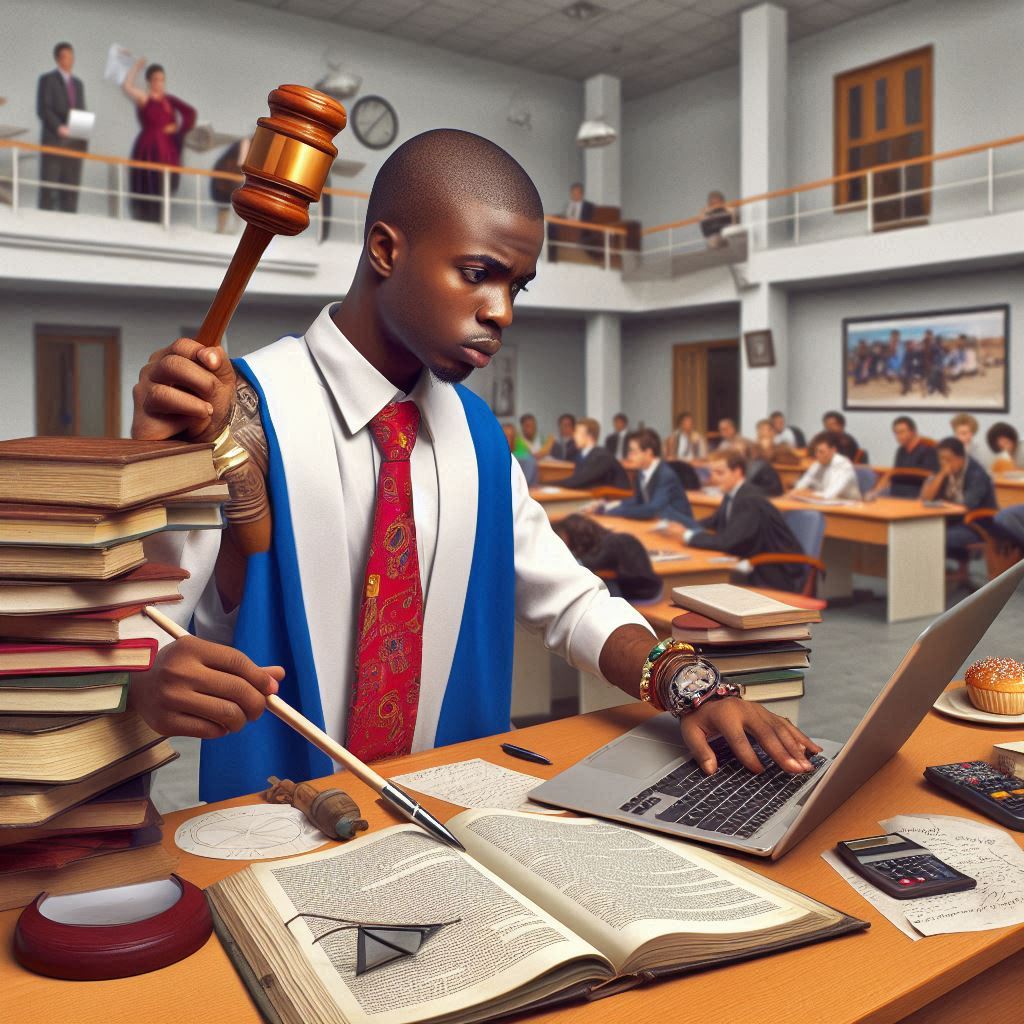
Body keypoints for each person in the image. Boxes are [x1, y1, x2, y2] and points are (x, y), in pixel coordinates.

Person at [128, 128, 819, 799]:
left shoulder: (482, 437)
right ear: (384, 250)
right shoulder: (238, 412)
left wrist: (689, 686)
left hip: (451, 819)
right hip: (276, 826)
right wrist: (150, 679)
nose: (502, 312)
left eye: (516, 287)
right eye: (478, 274)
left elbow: (570, 601)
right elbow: (142, 626)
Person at [669, 449, 806, 593]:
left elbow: (728, 541)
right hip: (752, 562)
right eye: (712, 472)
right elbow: (713, 522)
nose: (713, 478)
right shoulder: (733, 494)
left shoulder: (748, 499)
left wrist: (688, 536)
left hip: (772, 571)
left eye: (720, 473)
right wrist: (684, 526)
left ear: (737, 472)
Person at [121, 58, 196, 222]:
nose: (159, 83)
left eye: (162, 80)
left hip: (167, 148)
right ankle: (147, 215)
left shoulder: (169, 101)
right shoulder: (145, 97)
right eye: (156, 79)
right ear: (149, 81)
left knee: (166, 182)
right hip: (149, 146)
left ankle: (161, 216)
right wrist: (136, 67)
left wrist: (177, 128)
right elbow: (127, 87)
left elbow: (189, 113)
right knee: (148, 180)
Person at [921, 437, 997, 575]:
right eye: (941, 459)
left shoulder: (977, 474)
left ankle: (935, 577)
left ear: (961, 457)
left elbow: (967, 506)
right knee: (920, 532)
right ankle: (932, 577)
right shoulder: (943, 469)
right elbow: (926, 498)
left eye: (948, 459)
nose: (944, 463)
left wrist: (942, 507)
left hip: (976, 525)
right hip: (952, 521)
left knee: (935, 536)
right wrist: (941, 474)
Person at [595, 428, 696, 526]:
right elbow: (638, 500)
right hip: (660, 524)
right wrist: (608, 506)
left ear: (648, 453)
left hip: (681, 528)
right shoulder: (641, 471)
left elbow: (652, 509)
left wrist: (613, 512)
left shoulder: (665, 475)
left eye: (633, 451)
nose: (628, 456)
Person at [554, 515, 661, 603]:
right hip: (641, 587)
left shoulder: (610, 543)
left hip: (643, 592)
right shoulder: (606, 540)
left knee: (602, 584)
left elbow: (587, 563)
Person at [36, 41, 87, 212]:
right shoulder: (47, 80)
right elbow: (44, 109)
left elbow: (81, 110)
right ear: (58, 59)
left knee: (71, 187)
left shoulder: (78, 84)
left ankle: (70, 221)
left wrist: (81, 131)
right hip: (54, 140)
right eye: (66, 56)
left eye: (72, 56)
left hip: (74, 143)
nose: (70, 60)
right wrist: (59, 128)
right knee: (50, 185)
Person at [869, 416, 939, 499]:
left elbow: (930, 476)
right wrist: (877, 489)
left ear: (913, 432)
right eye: (896, 433)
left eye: (902, 432)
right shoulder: (901, 450)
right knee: (871, 497)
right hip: (897, 488)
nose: (898, 436)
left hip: (916, 490)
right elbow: (895, 472)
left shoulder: (928, 450)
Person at [560, 418, 630, 490]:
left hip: (615, 497)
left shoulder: (602, 456)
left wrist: (550, 484)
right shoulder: (580, 455)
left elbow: (580, 480)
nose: (573, 436)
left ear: (589, 436)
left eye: (577, 432)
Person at [791, 431, 861, 501]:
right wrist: (799, 491)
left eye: (821, 452)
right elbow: (800, 485)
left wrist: (807, 494)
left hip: (850, 505)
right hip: (826, 503)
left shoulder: (843, 465)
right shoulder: (817, 464)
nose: (817, 455)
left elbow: (829, 494)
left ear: (833, 450)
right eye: (816, 451)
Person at [210, 136, 250, 234]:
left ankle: (231, 230)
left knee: (231, 203)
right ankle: (226, 230)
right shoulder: (246, 143)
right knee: (227, 203)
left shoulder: (246, 144)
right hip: (226, 179)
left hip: (227, 178)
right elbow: (241, 162)